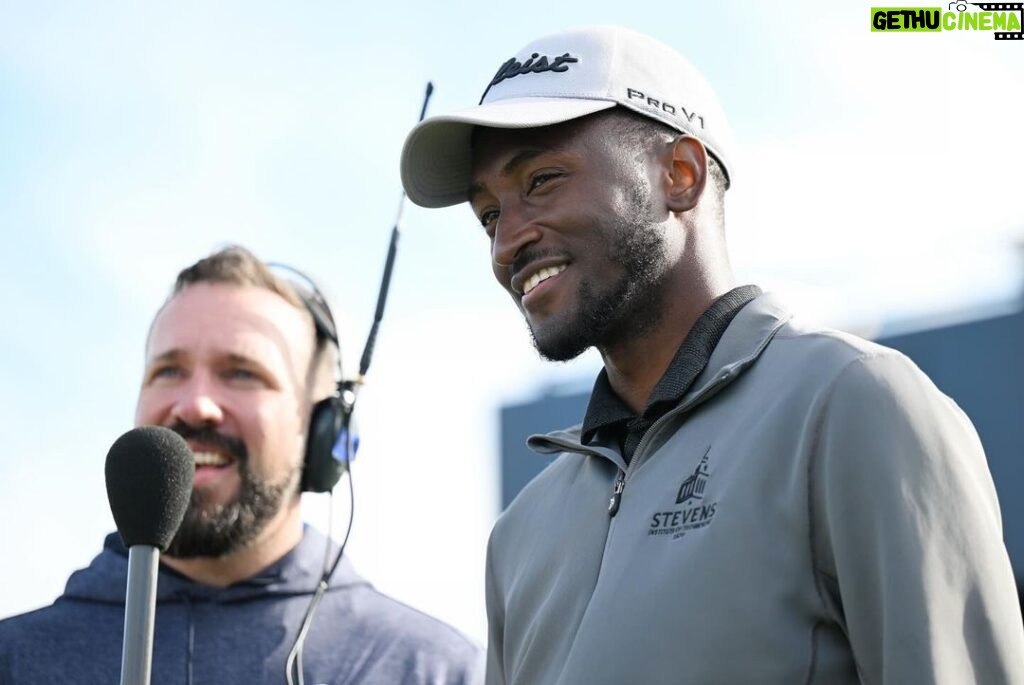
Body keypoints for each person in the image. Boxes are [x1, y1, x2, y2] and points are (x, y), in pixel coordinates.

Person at [399, 25, 1024, 685]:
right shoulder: (519, 532)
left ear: (681, 175)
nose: (506, 243)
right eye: (489, 215)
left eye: (543, 179)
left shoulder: (856, 404)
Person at [0, 246, 484, 684]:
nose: (194, 405)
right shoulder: (14, 660)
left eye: (241, 373)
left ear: (324, 433)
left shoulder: (432, 670)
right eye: (169, 370)